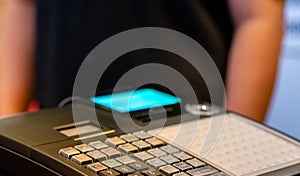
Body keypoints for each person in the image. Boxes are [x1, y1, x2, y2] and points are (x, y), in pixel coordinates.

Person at [0, 0, 285, 122]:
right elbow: (24, 5)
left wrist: (235, 140)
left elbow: (258, 15)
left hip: (187, 133)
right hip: (60, 126)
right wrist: (7, 123)